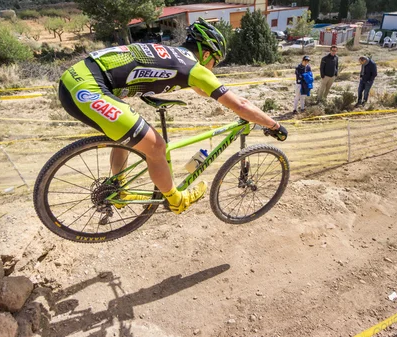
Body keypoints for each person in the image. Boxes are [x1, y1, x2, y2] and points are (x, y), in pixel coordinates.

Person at [57, 18, 288, 214]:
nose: (213, 70)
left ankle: (119, 187)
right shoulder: (194, 67)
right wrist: (273, 124)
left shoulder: (175, 56)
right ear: (206, 53)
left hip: (76, 81)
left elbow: (201, 89)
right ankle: (176, 200)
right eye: (214, 63)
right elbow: (240, 105)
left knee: (128, 136)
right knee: (157, 147)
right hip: (87, 88)